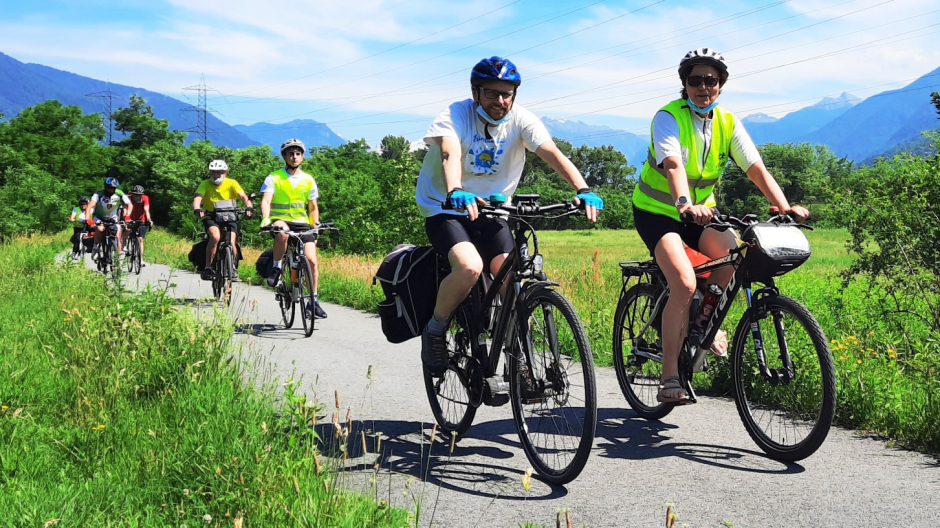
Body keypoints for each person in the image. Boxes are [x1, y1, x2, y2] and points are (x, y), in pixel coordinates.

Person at [632, 47, 810, 403]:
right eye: (695, 80)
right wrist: (684, 203)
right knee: (682, 282)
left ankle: (702, 323)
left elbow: (755, 167)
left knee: (737, 256)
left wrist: (784, 206)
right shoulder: (668, 117)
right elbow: (672, 164)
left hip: (703, 213)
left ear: (721, 85)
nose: (703, 87)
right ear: (684, 83)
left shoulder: (728, 122)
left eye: (710, 80)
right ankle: (669, 377)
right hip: (658, 212)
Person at [415, 56, 603, 376]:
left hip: (492, 209)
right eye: (491, 93)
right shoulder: (456, 114)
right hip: (445, 206)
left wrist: (583, 188)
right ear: (476, 92)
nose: (500, 101)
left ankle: (519, 359)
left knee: (510, 275)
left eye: (507, 93)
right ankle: (435, 329)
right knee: (470, 267)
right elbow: (449, 151)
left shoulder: (521, 119)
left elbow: (551, 154)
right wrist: (455, 188)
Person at [259, 139, 327, 320]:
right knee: (281, 232)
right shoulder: (274, 177)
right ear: (284, 156)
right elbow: (266, 200)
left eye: (298, 153)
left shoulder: (308, 180)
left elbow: (313, 207)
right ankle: (277, 268)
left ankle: (313, 302)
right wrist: (266, 218)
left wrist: (316, 225)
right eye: (290, 153)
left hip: (302, 222)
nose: (294, 157)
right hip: (280, 220)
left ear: (302, 156)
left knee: (312, 261)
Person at [192, 160, 253, 281]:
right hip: (212, 216)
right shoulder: (205, 184)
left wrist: (249, 206)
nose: (215, 175)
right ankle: (208, 268)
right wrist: (197, 208)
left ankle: (233, 269)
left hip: (230, 215)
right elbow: (198, 197)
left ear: (225, 173)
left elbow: (243, 196)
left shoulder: (232, 183)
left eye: (219, 173)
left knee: (231, 241)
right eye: (213, 172)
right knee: (215, 237)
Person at [86, 177, 131, 254]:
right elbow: (89, 206)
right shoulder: (98, 194)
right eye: (109, 188)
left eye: (113, 188)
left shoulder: (119, 193)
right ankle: (95, 246)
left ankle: (118, 258)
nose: (111, 190)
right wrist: (88, 219)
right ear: (105, 187)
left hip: (113, 217)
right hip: (99, 217)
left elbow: (129, 204)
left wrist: (127, 215)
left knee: (118, 235)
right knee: (100, 229)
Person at [126, 185, 153, 264]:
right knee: (127, 232)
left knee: (141, 239)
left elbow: (146, 210)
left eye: (139, 195)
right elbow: (124, 209)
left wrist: (149, 219)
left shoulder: (145, 198)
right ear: (132, 194)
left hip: (141, 220)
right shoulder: (128, 198)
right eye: (135, 194)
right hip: (130, 219)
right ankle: (127, 246)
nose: (137, 196)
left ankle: (140, 258)